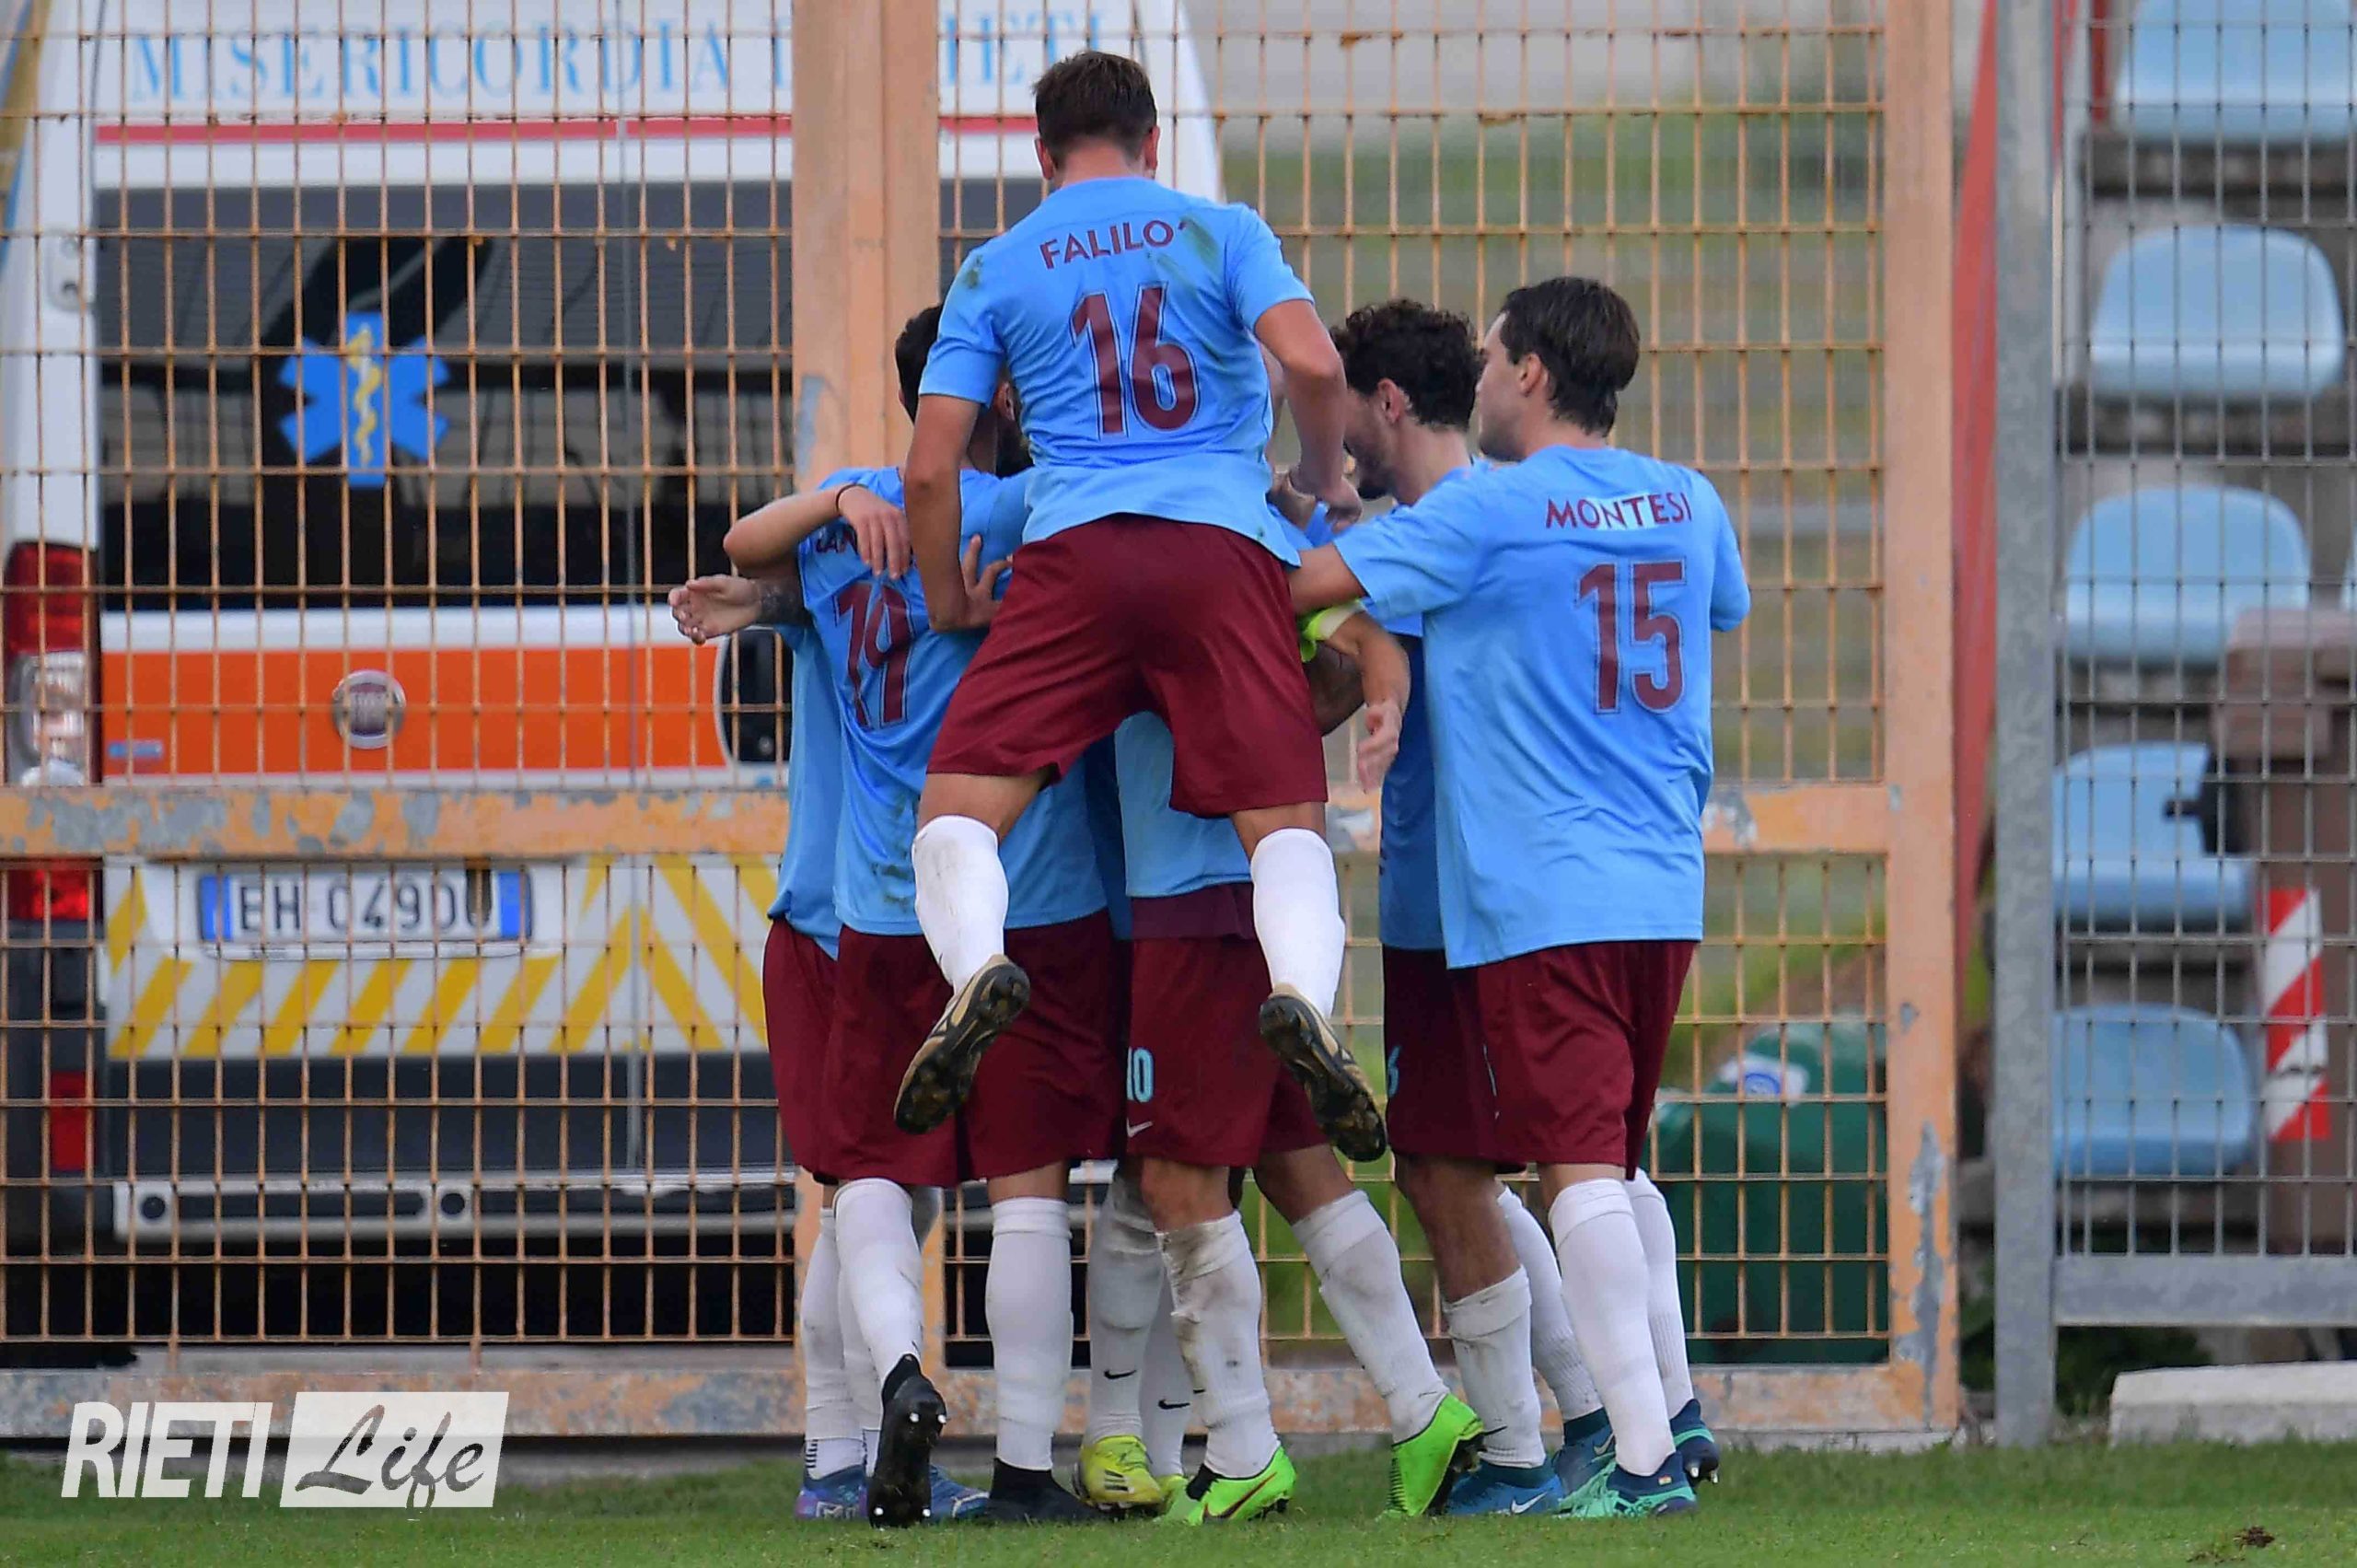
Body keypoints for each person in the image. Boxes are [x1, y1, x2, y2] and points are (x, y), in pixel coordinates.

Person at [892, 52, 1390, 1206]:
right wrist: (1318, 478)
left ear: (1041, 153)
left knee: (955, 814)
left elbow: (929, 467)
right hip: (1218, 548)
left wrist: (952, 600)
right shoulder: (1221, 230)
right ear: (1152, 141)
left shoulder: (997, 265)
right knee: (1283, 822)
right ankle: (1303, 996)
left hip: (1073, 555)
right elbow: (1312, 362)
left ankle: (977, 969)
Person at [1289, 276, 1750, 1520]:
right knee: (1612, 1160)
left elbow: (1305, 588)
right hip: (1664, 878)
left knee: (1578, 1172)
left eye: (1493, 358)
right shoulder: (1691, 498)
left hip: (1545, 887)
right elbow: (1720, 606)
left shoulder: (1487, 512)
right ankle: (1671, 1417)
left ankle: (1639, 1459)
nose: (1480, 378)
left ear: (1533, 374)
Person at [673, 308, 1120, 1527]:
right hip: (1021, 901)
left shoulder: (849, 522)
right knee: (1027, 1191)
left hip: (868, 901)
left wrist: (806, 540)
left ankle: (884, 1395)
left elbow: (743, 542)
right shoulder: (1024, 514)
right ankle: (1022, 1467)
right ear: (1007, 398)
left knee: (865, 1175)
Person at [1072, 494, 1480, 1524]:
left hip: (1191, 906)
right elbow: (1363, 644)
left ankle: (1244, 1449)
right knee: (1296, 1165)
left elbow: (1354, 646)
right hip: (1275, 897)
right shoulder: (1259, 542)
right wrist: (1327, 709)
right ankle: (1424, 1409)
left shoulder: (1130, 542)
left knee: (1172, 1175)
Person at [669, 482, 987, 1527]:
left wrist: (781, 585)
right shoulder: (980, 541)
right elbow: (748, 555)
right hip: (878, 925)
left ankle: (834, 1460)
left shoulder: (841, 567)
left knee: (870, 1194)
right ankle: (883, 1410)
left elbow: (749, 552)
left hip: (825, 919)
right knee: (878, 1187)